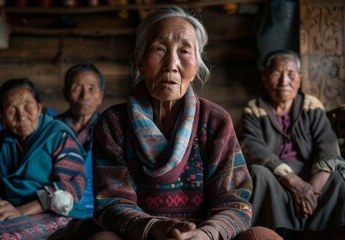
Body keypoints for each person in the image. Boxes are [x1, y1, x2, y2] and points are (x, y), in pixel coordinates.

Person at [89, 5, 281, 240]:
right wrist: (155, 229)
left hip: (203, 235)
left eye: (184, 51)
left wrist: (205, 234)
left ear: (197, 64)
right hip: (142, 235)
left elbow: (234, 202)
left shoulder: (215, 121)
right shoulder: (114, 123)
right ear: (138, 59)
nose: (171, 63)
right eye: (159, 49)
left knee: (262, 237)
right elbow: (111, 204)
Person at [0, 78, 86, 239]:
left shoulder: (58, 136)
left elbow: (71, 187)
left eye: (27, 106)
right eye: (11, 110)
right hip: (12, 208)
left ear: (39, 108)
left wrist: (20, 211)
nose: (21, 116)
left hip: (57, 212)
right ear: (2, 116)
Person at [239, 50, 345, 239]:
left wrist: (310, 190)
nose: (283, 81)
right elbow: (251, 146)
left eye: (290, 74)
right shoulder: (254, 109)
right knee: (257, 173)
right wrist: (293, 181)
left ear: (300, 79)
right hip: (276, 178)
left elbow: (327, 146)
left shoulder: (311, 106)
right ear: (265, 79)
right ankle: (273, 234)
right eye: (276, 73)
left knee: (337, 178)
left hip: (311, 176)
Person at [49, 63, 105, 239]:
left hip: (95, 211)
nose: (84, 96)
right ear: (66, 93)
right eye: (76, 88)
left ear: (101, 96)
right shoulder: (52, 127)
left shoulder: (109, 128)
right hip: (55, 205)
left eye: (91, 89)